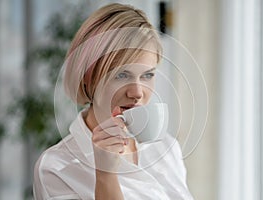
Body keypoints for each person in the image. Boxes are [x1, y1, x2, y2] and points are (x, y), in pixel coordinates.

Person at [33, 3, 193, 200]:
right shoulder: (56, 168)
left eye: (147, 75)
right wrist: (105, 176)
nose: (137, 92)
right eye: (122, 75)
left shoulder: (166, 148)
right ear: (88, 77)